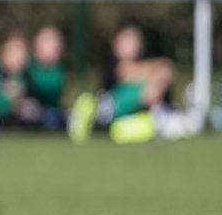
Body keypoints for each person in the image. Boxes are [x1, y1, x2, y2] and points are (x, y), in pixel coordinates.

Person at [69, 23, 200, 143]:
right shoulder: (111, 64)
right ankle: (88, 119)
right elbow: (126, 72)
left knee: (155, 93)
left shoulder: (147, 58)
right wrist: (151, 72)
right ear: (116, 44)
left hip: (144, 112)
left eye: (134, 40)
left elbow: (168, 70)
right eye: (126, 39)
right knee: (150, 89)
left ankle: (166, 122)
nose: (131, 44)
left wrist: (148, 73)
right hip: (115, 108)